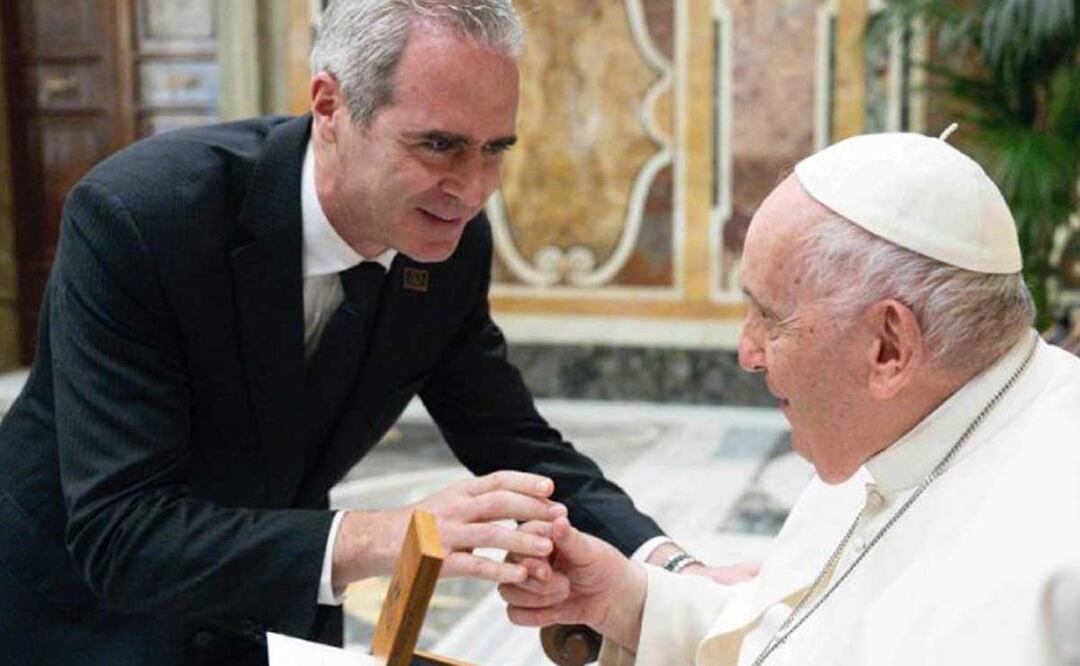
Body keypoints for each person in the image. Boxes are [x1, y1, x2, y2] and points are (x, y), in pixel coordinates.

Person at [0, 2, 741, 664]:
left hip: (271, 609)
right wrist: (393, 536)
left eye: (496, 150)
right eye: (440, 145)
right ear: (331, 105)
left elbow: (513, 438)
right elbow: (122, 530)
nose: (474, 189)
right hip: (79, 615)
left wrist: (670, 571)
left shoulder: (447, 243)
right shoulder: (142, 217)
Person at [500, 131, 1080, 665]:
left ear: (888, 347)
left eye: (769, 318)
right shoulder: (907, 425)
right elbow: (803, 634)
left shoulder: (1051, 564)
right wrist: (631, 600)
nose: (746, 353)